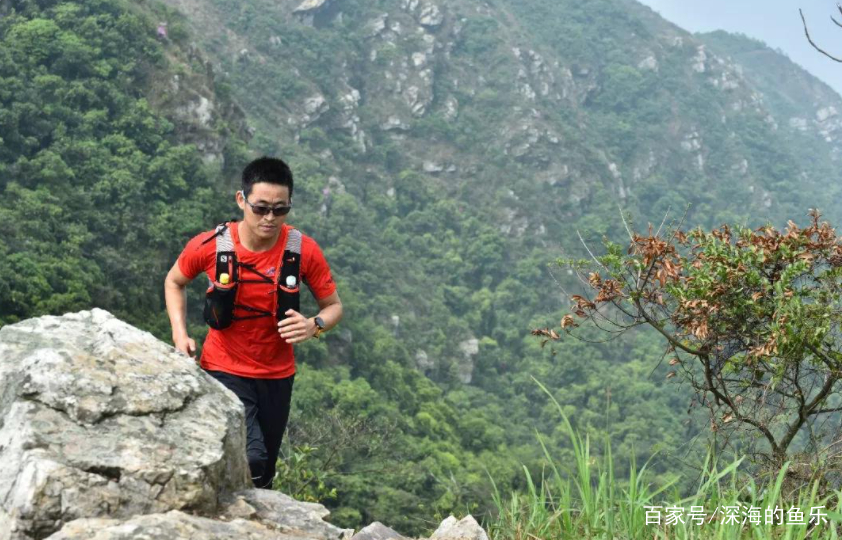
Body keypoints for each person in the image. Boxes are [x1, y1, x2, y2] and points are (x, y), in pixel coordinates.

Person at [164, 156, 342, 489]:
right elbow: (174, 281)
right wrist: (180, 334)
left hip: (277, 376)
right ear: (241, 200)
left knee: (264, 473)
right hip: (223, 367)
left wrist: (313, 326)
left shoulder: (302, 251)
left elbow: (333, 307)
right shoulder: (213, 246)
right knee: (252, 457)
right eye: (260, 208)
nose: (270, 218)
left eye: (280, 209)